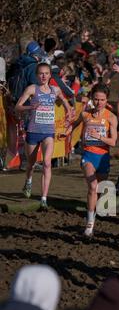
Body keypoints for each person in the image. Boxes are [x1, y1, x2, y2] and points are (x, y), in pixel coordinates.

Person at [15, 63, 72, 209]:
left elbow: (65, 100)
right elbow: (18, 106)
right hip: (33, 132)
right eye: (41, 73)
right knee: (31, 164)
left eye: (46, 73)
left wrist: (68, 113)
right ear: (36, 75)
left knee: (47, 163)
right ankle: (28, 181)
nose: (44, 76)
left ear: (50, 75)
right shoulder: (32, 89)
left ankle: (44, 198)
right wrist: (30, 107)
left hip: (48, 132)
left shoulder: (55, 90)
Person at [70, 84, 117, 236]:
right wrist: (66, 132)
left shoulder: (111, 117)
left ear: (106, 100)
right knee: (93, 186)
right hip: (88, 155)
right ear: (92, 99)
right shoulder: (85, 115)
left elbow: (113, 142)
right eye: (96, 99)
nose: (99, 102)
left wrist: (100, 137)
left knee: (100, 190)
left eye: (102, 100)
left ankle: (96, 210)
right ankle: (90, 224)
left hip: (103, 157)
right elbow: (73, 125)